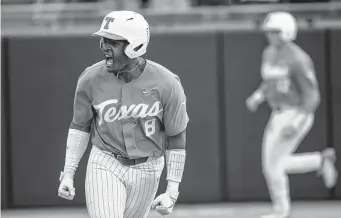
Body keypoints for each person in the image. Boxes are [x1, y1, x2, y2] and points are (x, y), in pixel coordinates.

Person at [57, 10, 189, 218]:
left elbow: (176, 136)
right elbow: (80, 126)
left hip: (149, 168)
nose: (105, 47)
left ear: (135, 46)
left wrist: (172, 190)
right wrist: (68, 172)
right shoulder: (90, 79)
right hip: (105, 161)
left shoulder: (167, 83)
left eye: (114, 42)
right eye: (104, 40)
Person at [246, 11, 338, 218]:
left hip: (296, 112)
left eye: (275, 32)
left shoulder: (298, 59)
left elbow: (312, 95)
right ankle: (319, 161)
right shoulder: (269, 53)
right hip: (277, 112)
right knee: (274, 164)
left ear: (287, 32)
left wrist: (297, 122)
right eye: (269, 31)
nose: (270, 36)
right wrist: (258, 96)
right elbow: (269, 82)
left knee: (272, 166)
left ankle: (281, 210)